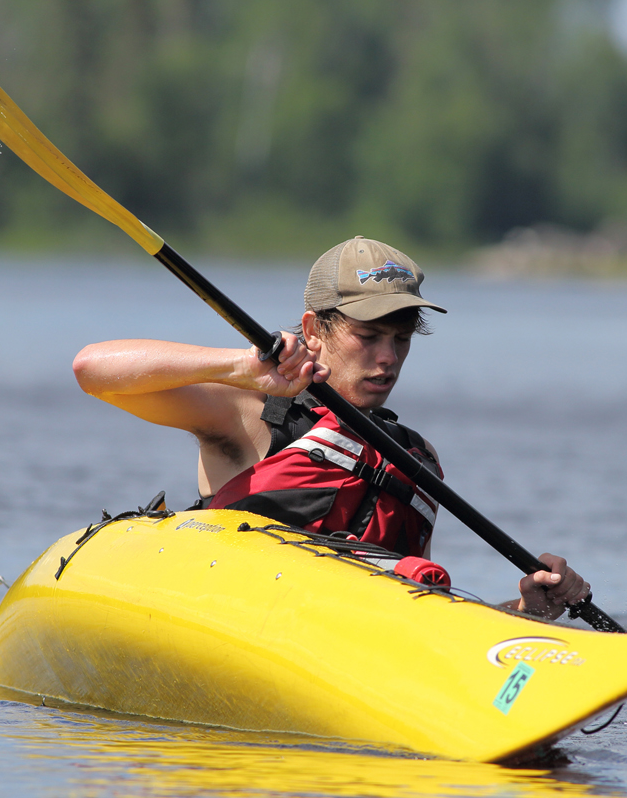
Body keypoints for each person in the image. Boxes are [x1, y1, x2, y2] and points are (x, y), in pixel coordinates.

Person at [71, 236, 589, 619]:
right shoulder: (249, 411)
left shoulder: (414, 457)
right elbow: (92, 370)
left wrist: (524, 609)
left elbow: (418, 613)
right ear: (314, 330)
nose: (388, 359)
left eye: (402, 339)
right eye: (368, 336)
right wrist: (238, 366)